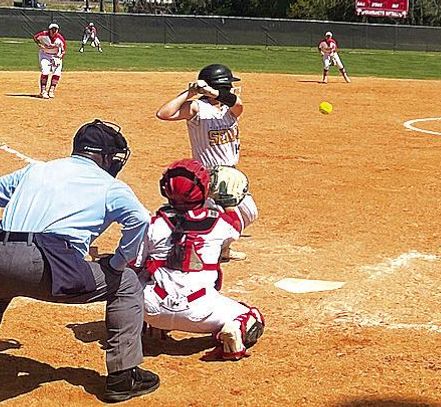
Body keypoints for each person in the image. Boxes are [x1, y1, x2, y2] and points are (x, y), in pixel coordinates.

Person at [0, 119, 159, 403]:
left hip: (2, 246)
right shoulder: (111, 186)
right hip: (46, 263)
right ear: (104, 157)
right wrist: (118, 262)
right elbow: (140, 219)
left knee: (3, 280)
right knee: (125, 284)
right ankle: (123, 377)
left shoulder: (37, 170)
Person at [134, 159, 265, 361]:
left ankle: (148, 325)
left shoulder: (154, 223)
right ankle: (230, 331)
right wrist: (227, 203)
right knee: (251, 316)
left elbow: (134, 265)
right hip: (200, 310)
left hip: (151, 306)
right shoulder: (219, 223)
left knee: (140, 276)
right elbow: (235, 225)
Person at [155, 64, 258, 261]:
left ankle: (221, 247)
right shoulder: (197, 108)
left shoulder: (231, 109)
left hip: (231, 173)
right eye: (228, 85)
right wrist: (190, 92)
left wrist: (214, 92)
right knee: (222, 217)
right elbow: (163, 113)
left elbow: (237, 103)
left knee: (249, 212)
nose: (231, 88)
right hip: (209, 175)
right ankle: (209, 249)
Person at [33, 23, 66, 99]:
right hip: (44, 54)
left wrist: (59, 57)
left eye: (55, 29)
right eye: (52, 29)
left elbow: (64, 51)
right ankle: (43, 91)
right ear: (49, 30)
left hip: (56, 55)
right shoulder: (44, 34)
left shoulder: (60, 39)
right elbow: (35, 37)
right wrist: (39, 44)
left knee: (57, 73)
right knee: (45, 71)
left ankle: (51, 90)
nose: (54, 31)